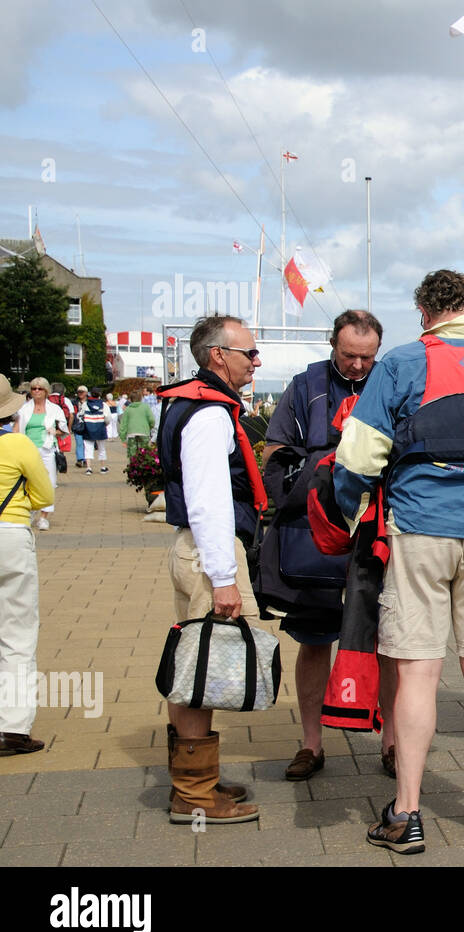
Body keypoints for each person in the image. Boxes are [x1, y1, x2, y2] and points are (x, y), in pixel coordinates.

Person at [335, 269, 464, 850]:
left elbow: (358, 455)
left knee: (417, 674)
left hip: (420, 530)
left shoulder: (401, 363)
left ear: (425, 311)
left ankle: (406, 814)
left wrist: (351, 516)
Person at [259, 309, 397, 780]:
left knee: (387, 645)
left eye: (367, 357)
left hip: (378, 537)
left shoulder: (393, 381)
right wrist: (331, 465)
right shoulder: (305, 385)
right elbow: (275, 457)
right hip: (316, 539)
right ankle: (311, 744)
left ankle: (393, 742)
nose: (358, 366)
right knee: (314, 642)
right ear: (332, 345)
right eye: (349, 355)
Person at [156, 315, 264, 824]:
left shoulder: (191, 401)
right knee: (203, 669)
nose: (256, 361)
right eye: (249, 352)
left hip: (197, 548)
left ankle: (195, 781)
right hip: (207, 552)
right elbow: (208, 501)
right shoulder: (209, 412)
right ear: (218, 355)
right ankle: (194, 795)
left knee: (194, 667)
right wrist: (224, 578)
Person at [0, 375, 55, 756]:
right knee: (16, 633)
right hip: (10, 534)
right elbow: (43, 495)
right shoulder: (17, 444)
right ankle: (12, 728)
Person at [16, 378, 68, 531]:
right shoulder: (24, 409)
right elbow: (17, 428)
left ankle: (44, 517)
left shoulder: (54, 409)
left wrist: (55, 432)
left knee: (49, 483)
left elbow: (64, 430)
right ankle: (30, 512)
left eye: (39, 389)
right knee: (28, 482)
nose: (36, 391)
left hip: (47, 449)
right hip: (28, 449)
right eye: (33, 389)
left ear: (46, 391)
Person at [118, 390, 156, 461]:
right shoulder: (145, 407)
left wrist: (123, 438)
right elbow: (152, 420)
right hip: (144, 432)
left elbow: (123, 424)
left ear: (131, 399)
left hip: (131, 434)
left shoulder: (128, 409)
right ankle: (143, 470)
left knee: (132, 456)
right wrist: (150, 427)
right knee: (145, 455)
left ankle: (133, 469)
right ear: (141, 398)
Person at [81, 388, 110, 474]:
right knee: (102, 448)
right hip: (100, 428)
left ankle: (89, 468)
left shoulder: (85, 404)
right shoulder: (104, 405)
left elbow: (81, 415)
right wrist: (105, 424)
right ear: (99, 395)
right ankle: (102, 467)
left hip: (88, 428)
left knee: (88, 448)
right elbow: (108, 418)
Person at [72, 385, 89, 468]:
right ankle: (80, 459)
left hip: (88, 425)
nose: (80, 394)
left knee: (86, 443)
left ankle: (86, 459)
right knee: (79, 443)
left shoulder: (90, 402)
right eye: (79, 392)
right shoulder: (74, 402)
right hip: (77, 425)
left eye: (82, 392)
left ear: (86, 393)